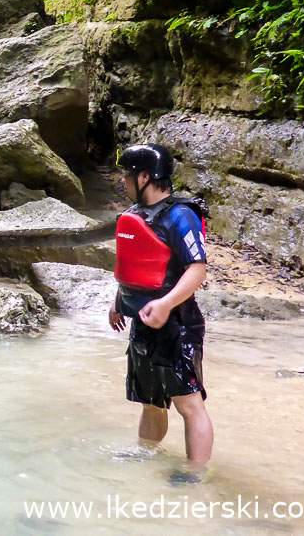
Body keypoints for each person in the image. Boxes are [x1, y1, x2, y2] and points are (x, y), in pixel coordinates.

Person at [107, 143, 214, 479]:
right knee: (150, 400)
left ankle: (195, 472)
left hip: (177, 324)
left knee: (188, 404)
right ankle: (146, 453)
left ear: (144, 177)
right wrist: (117, 302)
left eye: (127, 175)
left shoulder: (180, 215)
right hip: (143, 322)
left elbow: (197, 269)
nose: (123, 182)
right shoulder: (137, 216)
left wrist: (167, 305)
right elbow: (134, 265)